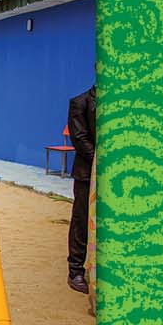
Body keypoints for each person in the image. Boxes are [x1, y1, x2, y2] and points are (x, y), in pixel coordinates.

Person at [66, 85, 95, 294]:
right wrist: (101, 162)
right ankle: (75, 270)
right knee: (82, 220)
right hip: (88, 174)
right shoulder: (80, 102)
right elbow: (79, 137)